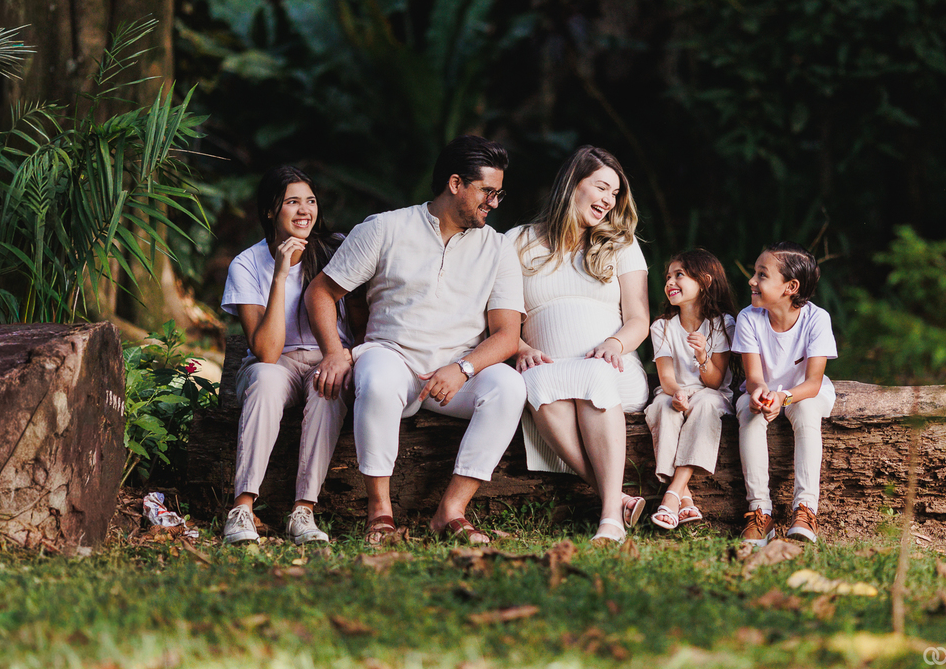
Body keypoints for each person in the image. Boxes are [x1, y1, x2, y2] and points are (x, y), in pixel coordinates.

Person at [304, 135, 526, 545]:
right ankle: (380, 512)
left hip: (456, 374)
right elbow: (321, 291)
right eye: (488, 192)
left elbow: (508, 335)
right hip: (393, 357)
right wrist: (334, 353)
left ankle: (452, 511)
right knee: (376, 377)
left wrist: (463, 369)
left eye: (500, 193)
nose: (495, 203)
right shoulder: (385, 228)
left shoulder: (497, 247)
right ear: (456, 183)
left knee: (510, 386)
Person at [511, 146, 650, 546]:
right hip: (549, 372)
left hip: (614, 368)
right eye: (602, 187)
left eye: (615, 194)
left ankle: (610, 518)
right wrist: (520, 347)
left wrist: (614, 343)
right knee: (536, 384)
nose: (609, 200)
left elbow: (639, 318)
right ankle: (617, 498)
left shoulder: (621, 244)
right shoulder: (517, 242)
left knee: (592, 374)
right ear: (573, 184)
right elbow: (497, 317)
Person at [221, 166, 352, 545]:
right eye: (292, 202)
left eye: (310, 201)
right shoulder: (247, 264)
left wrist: (343, 355)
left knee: (328, 385)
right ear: (270, 211)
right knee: (265, 377)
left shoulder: (336, 250)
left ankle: (303, 512)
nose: (304, 211)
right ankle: (242, 509)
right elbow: (265, 351)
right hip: (274, 364)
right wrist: (280, 274)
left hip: (327, 359)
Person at [734, 241, 837, 547]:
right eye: (755, 273)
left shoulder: (817, 319)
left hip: (803, 393)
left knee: (806, 413)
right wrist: (761, 394)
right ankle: (759, 511)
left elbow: (813, 383)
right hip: (764, 392)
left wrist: (783, 398)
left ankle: (805, 509)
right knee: (747, 412)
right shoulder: (748, 318)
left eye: (762, 275)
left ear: (790, 287)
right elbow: (753, 377)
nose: (752, 280)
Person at [644, 249, 737, 530]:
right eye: (668, 276)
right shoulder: (662, 326)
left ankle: (672, 494)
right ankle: (685, 499)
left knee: (705, 403)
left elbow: (715, 382)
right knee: (662, 406)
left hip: (711, 393)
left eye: (679, 275)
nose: (670, 282)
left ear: (705, 281)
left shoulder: (722, 324)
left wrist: (702, 357)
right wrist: (676, 393)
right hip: (675, 391)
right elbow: (666, 376)